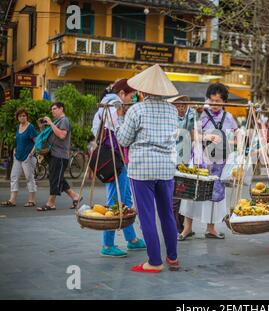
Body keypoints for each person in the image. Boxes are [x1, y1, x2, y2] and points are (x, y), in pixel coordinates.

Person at [116, 64, 180, 273]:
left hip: (142, 168)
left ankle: (154, 261)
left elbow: (123, 140)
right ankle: (172, 257)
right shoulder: (172, 110)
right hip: (166, 169)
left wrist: (120, 120)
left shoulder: (136, 109)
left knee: (147, 216)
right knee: (167, 214)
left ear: (142, 90)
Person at [91, 79, 146, 258]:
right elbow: (123, 132)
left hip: (119, 160)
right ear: (122, 94)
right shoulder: (113, 106)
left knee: (125, 199)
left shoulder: (109, 104)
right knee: (115, 201)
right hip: (115, 161)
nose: (133, 100)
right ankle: (107, 244)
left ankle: (131, 239)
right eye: (131, 96)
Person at [178, 83, 238, 240]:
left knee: (214, 195)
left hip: (219, 162)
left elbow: (236, 136)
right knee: (192, 193)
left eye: (218, 101)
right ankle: (187, 228)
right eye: (212, 100)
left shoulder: (229, 118)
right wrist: (206, 137)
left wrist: (233, 141)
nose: (214, 104)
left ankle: (211, 229)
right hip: (200, 160)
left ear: (224, 101)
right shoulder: (201, 115)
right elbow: (191, 135)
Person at [37, 102, 81, 211]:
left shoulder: (64, 120)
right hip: (53, 154)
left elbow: (62, 135)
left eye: (55, 108)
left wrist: (51, 123)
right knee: (57, 177)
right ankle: (75, 197)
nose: (52, 111)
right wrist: (42, 128)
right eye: (52, 109)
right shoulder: (57, 121)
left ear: (61, 109)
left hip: (60, 155)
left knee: (55, 178)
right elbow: (49, 137)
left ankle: (51, 203)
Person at [167, 95, 195, 235]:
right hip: (175, 163)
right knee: (175, 197)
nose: (181, 108)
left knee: (185, 195)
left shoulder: (188, 118)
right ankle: (175, 227)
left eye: (184, 105)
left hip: (186, 163)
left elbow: (192, 130)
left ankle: (184, 226)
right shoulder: (170, 121)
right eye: (178, 105)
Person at [1, 108, 37, 207]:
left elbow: (37, 142)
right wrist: (15, 149)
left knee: (29, 178)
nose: (22, 117)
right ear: (18, 118)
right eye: (20, 116)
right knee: (14, 177)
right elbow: (18, 140)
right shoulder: (18, 127)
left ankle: (32, 200)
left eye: (24, 115)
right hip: (17, 156)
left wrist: (32, 153)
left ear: (27, 117)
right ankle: (12, 200)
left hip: (28, 157)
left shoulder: (31, 127)